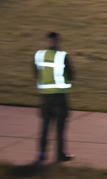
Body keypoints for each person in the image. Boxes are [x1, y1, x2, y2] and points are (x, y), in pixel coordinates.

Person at [34, 32, 74, 162]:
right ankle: (60, 154)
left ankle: (41, 154)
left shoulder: (39, 55)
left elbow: (35, 73)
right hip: (59, 97)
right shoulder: (62, 56)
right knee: (60, 128)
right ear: (58, 41)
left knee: (45, 126)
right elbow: (71, 75)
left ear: (47, 41)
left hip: (45, 97)